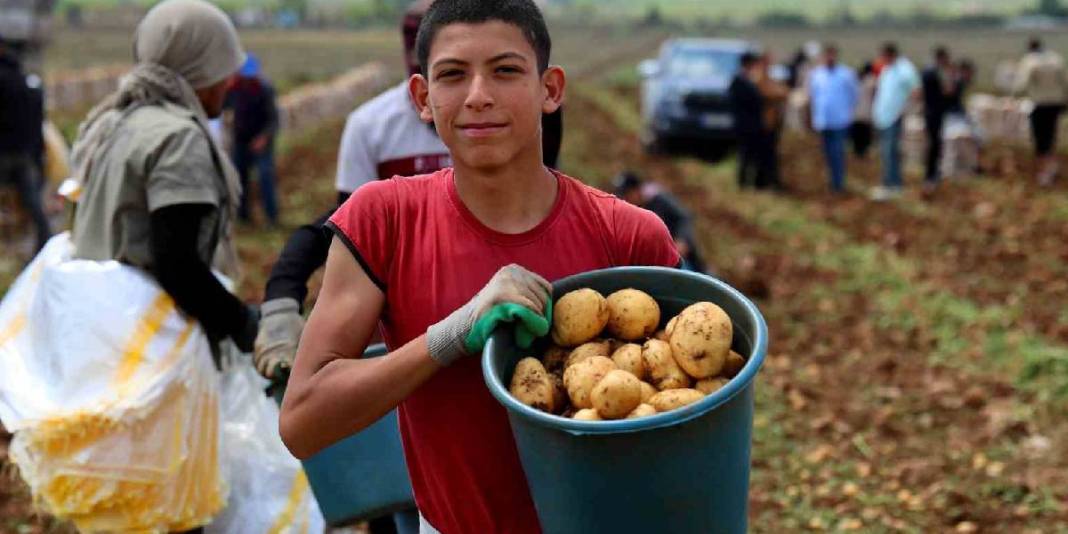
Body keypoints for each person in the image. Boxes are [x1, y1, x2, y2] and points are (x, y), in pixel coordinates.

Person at [277, 3, 680, 534]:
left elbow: (694, 411)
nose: (478, 96)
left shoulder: (629, 234)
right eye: (452, 75)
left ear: (550, 89)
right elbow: (302, 422)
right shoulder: (384, 221)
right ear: (424, 98)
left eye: (506, 70)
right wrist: (452, 334)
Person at [68, 0, 257, 397]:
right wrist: (244, 325)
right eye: (222, 69)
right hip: (150, 351)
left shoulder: (118, 121)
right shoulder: (179, 139)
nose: (230, 82)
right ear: (198, 70)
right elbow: (178, 265)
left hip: (98, 336)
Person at [0, 37, 52, 252]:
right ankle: (43, 244)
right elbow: (38, 124)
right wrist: (38, 156)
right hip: (26, 154)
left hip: (3, 152)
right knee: (32, 204)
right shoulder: (31, 85)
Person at [614, 170, 707, 273]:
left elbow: (683, 217)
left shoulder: (659, 200)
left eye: (628, 194)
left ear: (637, 190)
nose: (626, 199)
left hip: (679, 258)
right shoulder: (630, 213)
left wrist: (682, 240)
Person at [225, 53, 280, 225]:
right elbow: (221, 108)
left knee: (265, 176)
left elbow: (274, 120)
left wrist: (263, 138)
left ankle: (271, 218)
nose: (247, 80)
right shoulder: (233, 89)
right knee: (239, 177)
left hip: (262, 141)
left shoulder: (265, 89)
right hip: (240, 140)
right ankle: (244, 217)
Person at [1014, 37, 1068, 186]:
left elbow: (1022, 84)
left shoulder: (1030, 61)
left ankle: (1043, 173)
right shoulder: (1056, 59)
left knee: (1040, 139)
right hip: (1055, 103)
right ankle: (1050, 170)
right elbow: (1065, 82)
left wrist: (1012, 93)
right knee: (1050, 136)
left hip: (1039, 104)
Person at [871, 42, 920, 201]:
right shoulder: (886, 69)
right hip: (883, 117)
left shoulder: (905, 69)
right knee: (885, 152)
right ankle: (889, 183)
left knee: (890, 151)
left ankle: (893, 185)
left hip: (894, 116)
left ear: (890, 54)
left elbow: (915, 91)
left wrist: (907, 110)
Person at [808, 43, 857, 193]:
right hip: (822, 121)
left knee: (837, 152)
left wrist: (847, 111)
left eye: (832, 55)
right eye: (827, 55)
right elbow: (813, 97)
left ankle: (838, 183)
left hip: (840, 121)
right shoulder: (817, 74)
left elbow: (854, 95)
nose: (829, 58)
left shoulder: (846, 74)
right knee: (827, 153)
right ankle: (831, 181)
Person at [728, 52, 767, 189]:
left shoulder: (749, 80)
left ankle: (751, 182)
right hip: (745, 125)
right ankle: (743, 183)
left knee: (752, 155)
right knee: (745, 155)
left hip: (752, 124)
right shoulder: (739, 81)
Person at [921, 46, 954, 193]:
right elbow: (948, 91)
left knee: (934, 144)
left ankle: (932, 173)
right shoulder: (936, 73)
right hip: (935, 113)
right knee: (934, 145)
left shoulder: (927, 71)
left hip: (930, 112)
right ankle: (931, 175)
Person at [755, 51, 788, 190]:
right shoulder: (759, 78)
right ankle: (764, 182)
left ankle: (769, 181)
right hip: (764, 123)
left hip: (772, 122)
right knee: (765, 154)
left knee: (771, 154)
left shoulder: (769, 77)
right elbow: (773, 92)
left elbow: (783, 91)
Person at [850, 62, 876, 158]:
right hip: (866, 113)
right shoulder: (871, 80)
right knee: (864, 135)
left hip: (855, 113)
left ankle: (857, 151)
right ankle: (862, 152)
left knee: (857, 135)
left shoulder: (855, 79)